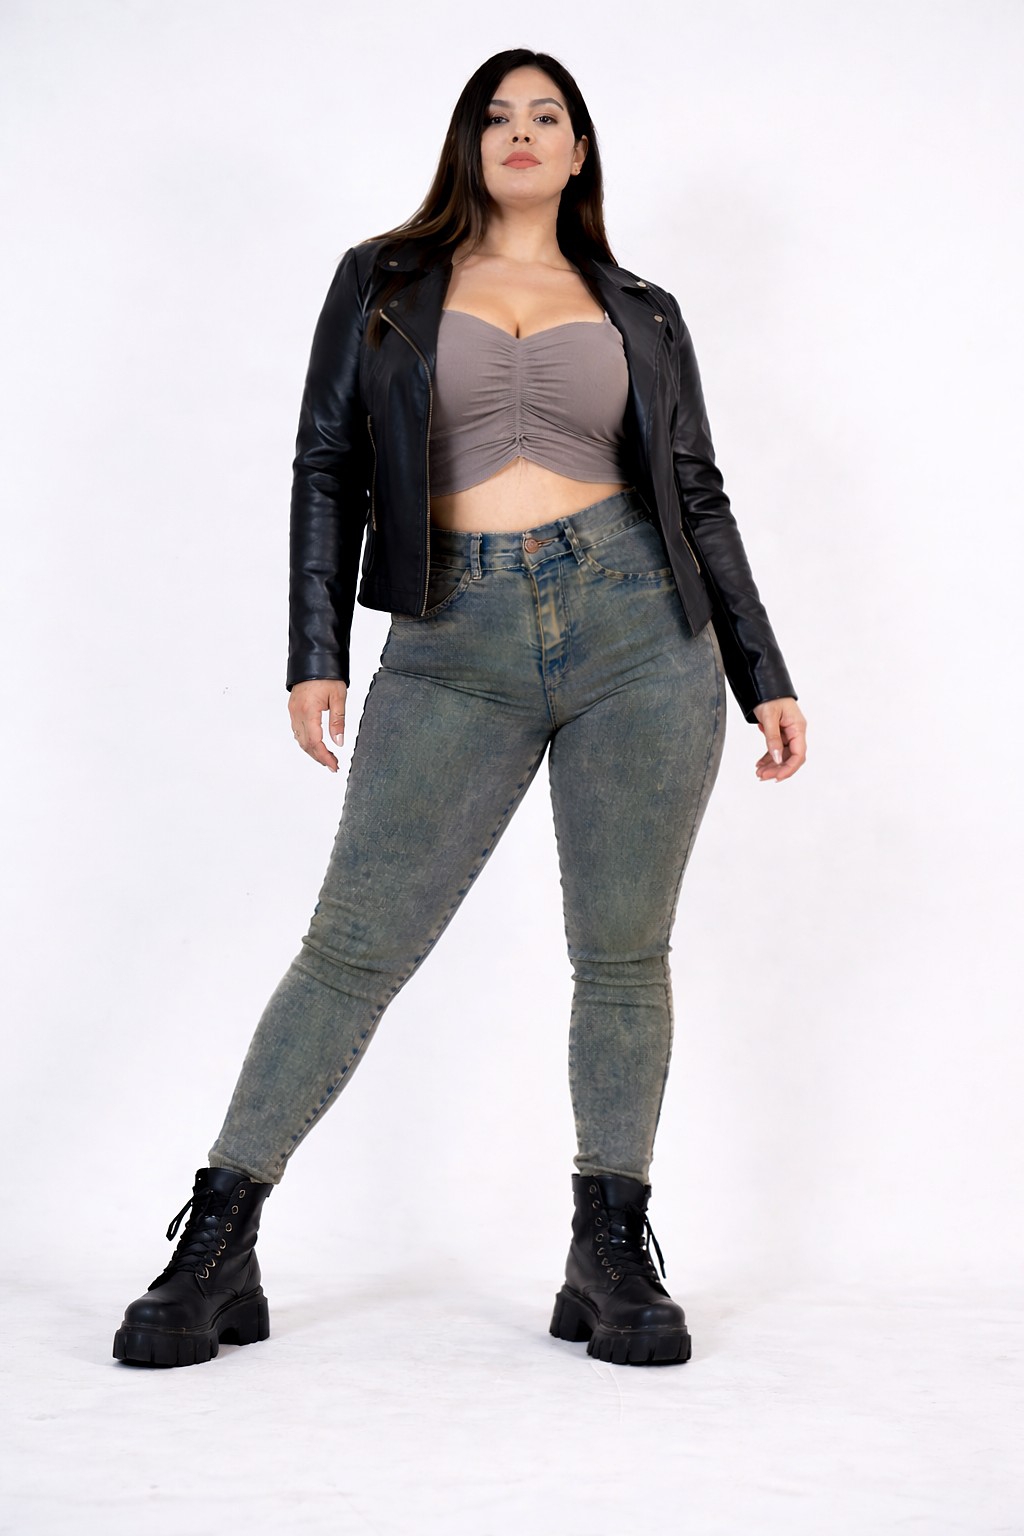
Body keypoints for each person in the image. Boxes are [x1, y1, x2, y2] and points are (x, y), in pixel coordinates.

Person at [112, 48, 807, 1371]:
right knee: (351, 949)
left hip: (641, 634)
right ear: (468, 141)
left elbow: (696, 492)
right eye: (498, 115)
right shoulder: (382, 281)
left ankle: (608, 1251)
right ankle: (219, 1243)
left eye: (548, 115)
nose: (521, 132)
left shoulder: (642, 309)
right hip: (451, 637)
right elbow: (327, 464)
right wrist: (316, 648)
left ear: (581, 148)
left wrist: (760, 672)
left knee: (622, 955)